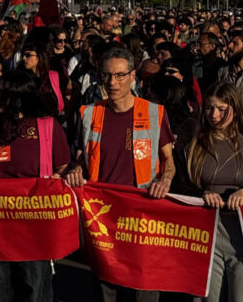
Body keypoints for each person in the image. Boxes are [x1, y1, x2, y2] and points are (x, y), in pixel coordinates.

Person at [66, 48, 176, 302]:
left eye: (119, 75)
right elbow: (82, 157)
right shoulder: (89, 113)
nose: (112, 82)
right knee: (106, 288)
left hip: (142, 215)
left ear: (132, 76)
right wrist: (76, 169)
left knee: (143, 288)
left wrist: (165, 180)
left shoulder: (154, 113)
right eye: (106, 76)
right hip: (103, 216)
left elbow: (168, 161)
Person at [0, 70, 69, 302]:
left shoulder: (47, 126)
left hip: (33, 227)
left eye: (1, 91)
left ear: (17, 98)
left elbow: (63, 166)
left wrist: (56, 179)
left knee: (34, 291)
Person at [180, 83, 243, 302]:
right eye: (209, 108)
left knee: (242, 297)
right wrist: (201, 194)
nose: (214, 115)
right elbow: (180, 186)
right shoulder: (194, 144)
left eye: (222, 109)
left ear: (235, 109)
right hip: (207, 234)